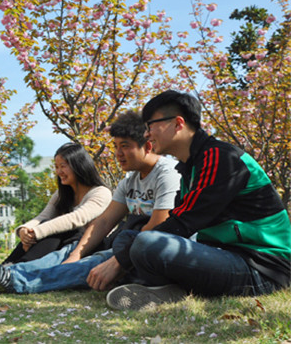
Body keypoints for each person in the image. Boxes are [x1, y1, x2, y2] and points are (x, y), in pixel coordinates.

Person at [104, 90, 291, 310]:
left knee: (145, 243)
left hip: (262, 267)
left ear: (178, 123)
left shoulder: (220, 157)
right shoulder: (190, 167)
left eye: (150, 126)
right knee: (128, 239)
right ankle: (167, 287)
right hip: (221, 254)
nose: (147, 134)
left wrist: (120, 260)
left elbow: (182, 224)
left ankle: (156, 283)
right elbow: (176, 222)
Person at [0, 110, 181, 295]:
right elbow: (104, 222)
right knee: (74, 252)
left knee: (93, 261)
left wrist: (115, 261)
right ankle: (6, 273)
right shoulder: (129, 181)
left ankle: (13, 281)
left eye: (125, 146)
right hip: (126, 247)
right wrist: (75, 254)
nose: (118, 154)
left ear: (148, 146)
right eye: (115, 147)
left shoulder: (166, 174)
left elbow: (157, 227)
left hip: (153, 252)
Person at [4, 143, 112, 267]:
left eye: (63, 166)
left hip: (87, 247)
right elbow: (44, 216)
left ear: (78, 166)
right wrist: (25, 230)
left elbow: (76, 219)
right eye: (56, 167)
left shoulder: (101, 193)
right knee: (47, 225)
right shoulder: (61, 194)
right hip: (65, 245)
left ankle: (20, 266)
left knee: (58, 228)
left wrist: (37, 232)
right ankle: (5, 266)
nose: (59, 172)